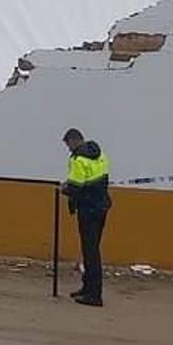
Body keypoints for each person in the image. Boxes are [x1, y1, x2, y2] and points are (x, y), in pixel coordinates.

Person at [61, 127, 111, 307]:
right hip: (101, 206)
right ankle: (87, 287)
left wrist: (63, 188)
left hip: (88, 208)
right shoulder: (100, 155)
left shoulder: (79, 159)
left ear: (74, 140)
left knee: (90, 252)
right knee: (91, 250)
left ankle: (94, 294)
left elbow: (75, 187)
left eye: (68, 145)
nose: (68, 149)